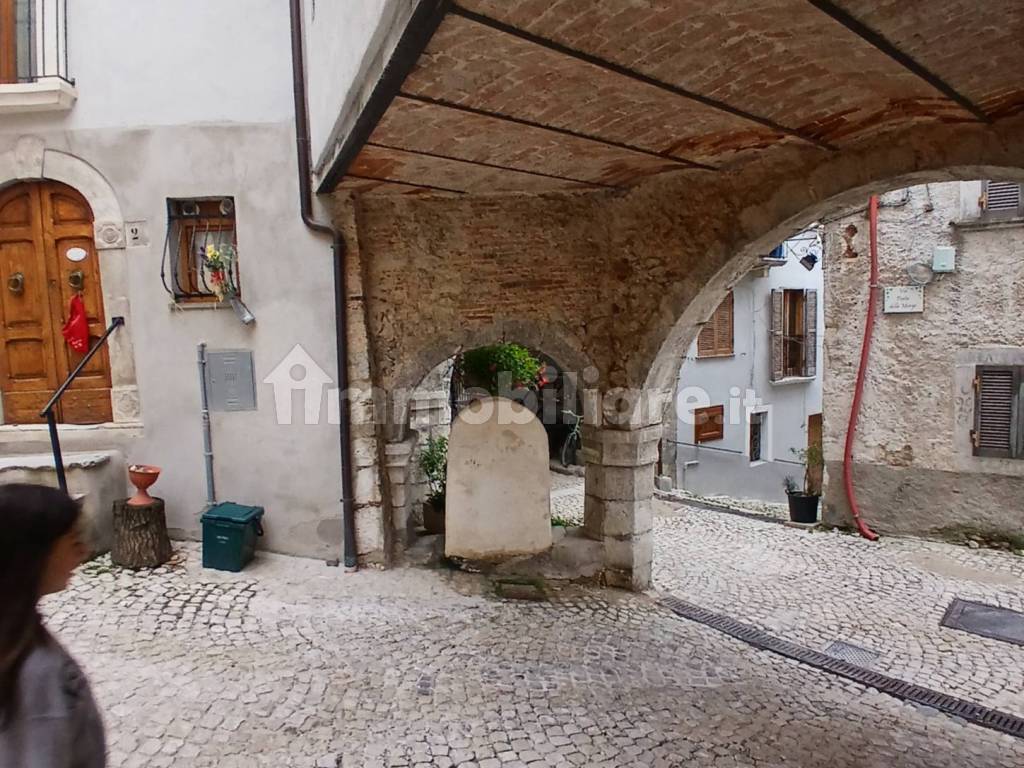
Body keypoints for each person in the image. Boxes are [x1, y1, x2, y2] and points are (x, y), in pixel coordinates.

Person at [0, 483, 106, 768]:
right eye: (72, 541)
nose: (83, 551)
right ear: (35, 554)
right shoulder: (36, 670)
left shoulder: (18, 636)